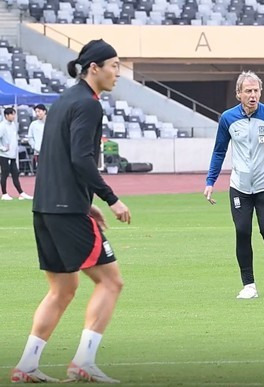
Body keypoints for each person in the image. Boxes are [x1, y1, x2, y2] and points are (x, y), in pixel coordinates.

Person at [11, 39, 131, 384]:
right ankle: (84, 361)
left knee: (62, 290)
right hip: (66, 212)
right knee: (111, 281)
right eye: (114, 65)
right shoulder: (89, 106)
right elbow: (80, 159)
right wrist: (111, 198)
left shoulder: (64, 100)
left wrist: (85, 202)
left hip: (46, 209)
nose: (117, 73)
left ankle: (26, 366)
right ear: (94, 68)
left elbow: (56, 158)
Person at [204, 71, 264, 299]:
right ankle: (249, 285)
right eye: (248, 91)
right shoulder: (228, 119)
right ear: (238, 94)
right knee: (242, 231)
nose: (253, 95)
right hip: (240, 186)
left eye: (256, 91)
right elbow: (219, 150)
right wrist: (210, 181)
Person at [0, 107, 33, 201]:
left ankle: (21, 192)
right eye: (12, 114)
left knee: (15, 173)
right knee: (5, 173)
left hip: (12, 154)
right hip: (4, 155)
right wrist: (3, 148)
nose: (13, 116)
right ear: (6, 115)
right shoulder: (2, 126)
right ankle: (4, 193)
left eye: (14, 114)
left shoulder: (13, 125)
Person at [27, 104, 47, 173]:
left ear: (44, 111)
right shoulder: (33, 124)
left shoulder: (50, 123)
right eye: (36, 112)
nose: (37, 113)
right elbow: (30, 137)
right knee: (41, 171)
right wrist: (35, 146)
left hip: (49, 151)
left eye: (39, 111)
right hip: (38, 152)